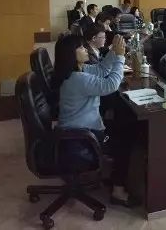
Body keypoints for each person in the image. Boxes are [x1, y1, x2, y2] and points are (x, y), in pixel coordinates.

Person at [53, 33, 130, 203]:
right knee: (124, 142)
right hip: (81, 137)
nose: (86, 49)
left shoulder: (76, 71)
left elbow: (101, 70)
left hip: (77, 130)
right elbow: (111, 84)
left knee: (122, 124)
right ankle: (118, 191)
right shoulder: (78, 79)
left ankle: (112, 176)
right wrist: (120, 57)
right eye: (81, 47)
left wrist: (114, 52)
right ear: (70, 54)